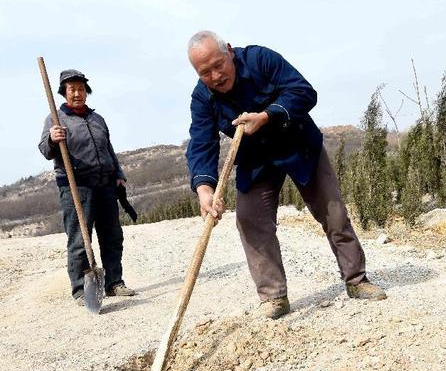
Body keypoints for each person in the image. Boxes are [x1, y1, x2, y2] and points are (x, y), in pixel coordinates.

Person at [185, 31, 387, 319]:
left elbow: (303, 92)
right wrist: (204, 189)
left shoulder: (260, 59)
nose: (215, 76)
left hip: (298, 144)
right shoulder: (202, 97)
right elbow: (201, 142)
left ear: (229, 51)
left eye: (218, 65)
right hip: (255, 159)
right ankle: (273, 297)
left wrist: (267, 116)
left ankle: (357, 280)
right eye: (205, 73)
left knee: (333, 212)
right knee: (250, 220)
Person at [39, 69, 135, 306]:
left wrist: (118, 174)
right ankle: (81, 290)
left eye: (81, 89)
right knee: (80, 239)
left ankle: (114, 282)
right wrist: (52, 138)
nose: (77, 93)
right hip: (76, 187)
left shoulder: (97, 119)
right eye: (72, 89)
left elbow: (108, 149)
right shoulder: (55, 119)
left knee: (112, 236)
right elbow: (44, 150)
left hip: (105, 185)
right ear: (64, 92)